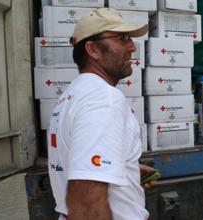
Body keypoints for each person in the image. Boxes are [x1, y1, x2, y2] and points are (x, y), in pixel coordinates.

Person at [48, 7, 154, 220]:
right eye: (122, 38)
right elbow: (86, 196)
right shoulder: (103, 98)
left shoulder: (71, 96)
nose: (132, 47)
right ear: (93, 49)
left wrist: (126, 169)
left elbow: (78, 164)